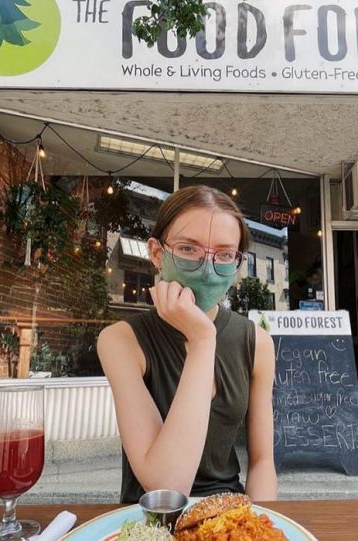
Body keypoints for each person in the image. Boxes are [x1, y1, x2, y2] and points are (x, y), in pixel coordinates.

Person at [97, 185, 277, 504]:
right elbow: (166, 484)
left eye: (223, 255)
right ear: (156, 253)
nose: (208, 270)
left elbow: (262, 462)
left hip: (227, 514)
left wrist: (261, 526)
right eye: (188, 249)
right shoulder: (121, 340)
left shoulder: (256, 343)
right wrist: (202, 340)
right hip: (149, 519)